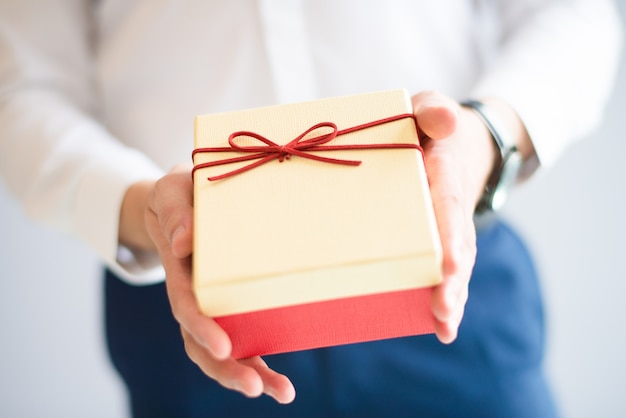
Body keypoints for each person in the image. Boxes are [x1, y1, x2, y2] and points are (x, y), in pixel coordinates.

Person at [0, 1, 621, 417]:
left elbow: (572, 15)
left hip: (441, 272)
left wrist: (482, 136)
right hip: (196, 305)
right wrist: (150, 212)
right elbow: (24, 88)